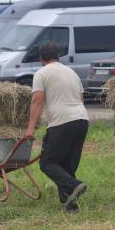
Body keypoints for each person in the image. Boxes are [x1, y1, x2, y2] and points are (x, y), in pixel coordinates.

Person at [24, 42, 89, 213]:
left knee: (48, 162)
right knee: (66, 165)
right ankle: (70, 205)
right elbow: (81, 99)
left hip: (62, 122)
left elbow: (37, 101)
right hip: (82, 120)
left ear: (41, 59)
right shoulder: (72, 73)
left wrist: (30, 129)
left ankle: (75, 185)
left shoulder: (41, 73)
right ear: (58, 57)